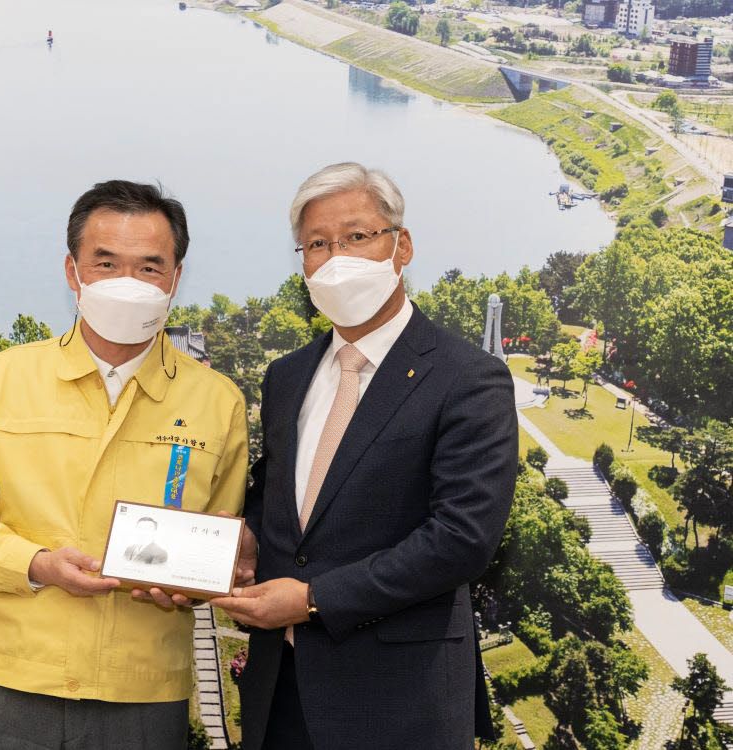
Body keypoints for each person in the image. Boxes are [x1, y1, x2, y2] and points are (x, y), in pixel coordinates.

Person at [0, 180, 248, 750]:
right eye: (106, 263)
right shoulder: (1, 382)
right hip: (18, 679)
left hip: (146, 690)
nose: (128, 283)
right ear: (73, 271)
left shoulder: (217, 402)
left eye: (149, 268)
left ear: (175, 278)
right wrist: (39, 563)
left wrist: (193, 584)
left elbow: (218, 542)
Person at [212, 162, 518, 750]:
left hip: (401, 702)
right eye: (317, 244)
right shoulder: (287, 376)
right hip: (281, 696)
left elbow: (462, 537)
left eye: (357, 237)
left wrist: (312, 598)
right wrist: (248, 535)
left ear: (401, 246)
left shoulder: (468, 378)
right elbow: (279, 493)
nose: (337, 258)